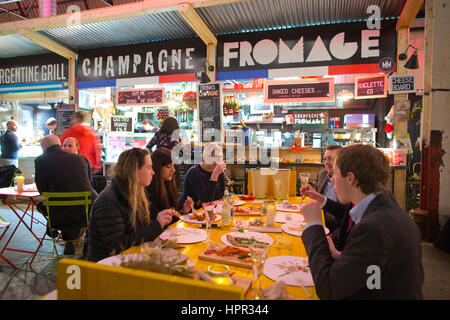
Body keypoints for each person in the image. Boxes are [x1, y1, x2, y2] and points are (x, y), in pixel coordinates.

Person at [300, 144, 424, 299]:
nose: (331, 179)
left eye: (335, 174)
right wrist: (341, 256)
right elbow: (376, 270)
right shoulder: (385, 208)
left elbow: (329, 290)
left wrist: (314, 225)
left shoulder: (374, 228)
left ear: (350, 178)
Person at [87, 147, 173, 262]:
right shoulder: (108, 201)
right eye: (149, 167)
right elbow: (117, 247)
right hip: (106, 269)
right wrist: (156, 225)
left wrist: (159, 223)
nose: (153, 172)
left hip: (129, 260)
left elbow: (138, 231)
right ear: (134, 170)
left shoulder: (136, 193)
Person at [34, 135, 98, 255]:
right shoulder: (81, 159)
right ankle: (89, 239)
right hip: (86, 208)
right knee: (89, 202)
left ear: (44, 147)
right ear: (59, 144)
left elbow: (42, 191)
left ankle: (56, 228)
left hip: (59, 211)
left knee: (45, 204)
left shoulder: (40, 160)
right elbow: (89, 181)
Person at [146, 147, 194, 224]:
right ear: (157, 168)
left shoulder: (168, 185)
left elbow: (171, 220)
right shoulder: (148, 191)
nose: (174, 170)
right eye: (168, 167)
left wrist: (183, 211)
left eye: (173, 165)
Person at [177, 142, 226, 210]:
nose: (217, 161)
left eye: (219, 158)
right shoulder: (194, 172)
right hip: (189, 212)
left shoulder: (218, 171)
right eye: (214, 157)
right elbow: (206, 200)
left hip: (207, 211)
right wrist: (214, 175)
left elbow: (220, 195)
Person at [316, 144, 343, 232]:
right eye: (325, 159)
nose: (326, 162)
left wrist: (334, 235)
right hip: (322, 222)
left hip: (338, 229)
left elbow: (345, 213)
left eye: (330, 159)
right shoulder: (322, 174)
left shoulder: (347, 181)